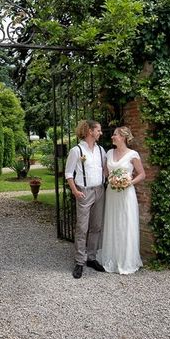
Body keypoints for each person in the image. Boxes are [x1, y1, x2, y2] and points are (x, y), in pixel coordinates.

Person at [99, 126, 145, 274]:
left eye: (115, 135)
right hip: (112, 193)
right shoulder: (109, 152)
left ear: (123, 137)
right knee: (112, 222)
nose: (112, 137)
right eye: (113, 135)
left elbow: (142, 174)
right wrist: (111, 178)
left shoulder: (133, 154)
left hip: (126, 194)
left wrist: (128, 182)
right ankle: (112, 257)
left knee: (125, 223)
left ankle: (126, 260)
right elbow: (105, 173)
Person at [65, 119, 106, 279]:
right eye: (98, 130)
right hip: (84, 192)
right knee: (82, 228)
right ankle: (79, 262)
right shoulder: (76, 150)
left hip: (100, 191)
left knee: (96, 226)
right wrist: (75, 191)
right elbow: (69, 173)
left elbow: (104, 170)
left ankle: (91, 258)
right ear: (90, 131)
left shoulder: (101, 150)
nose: (100, 133)